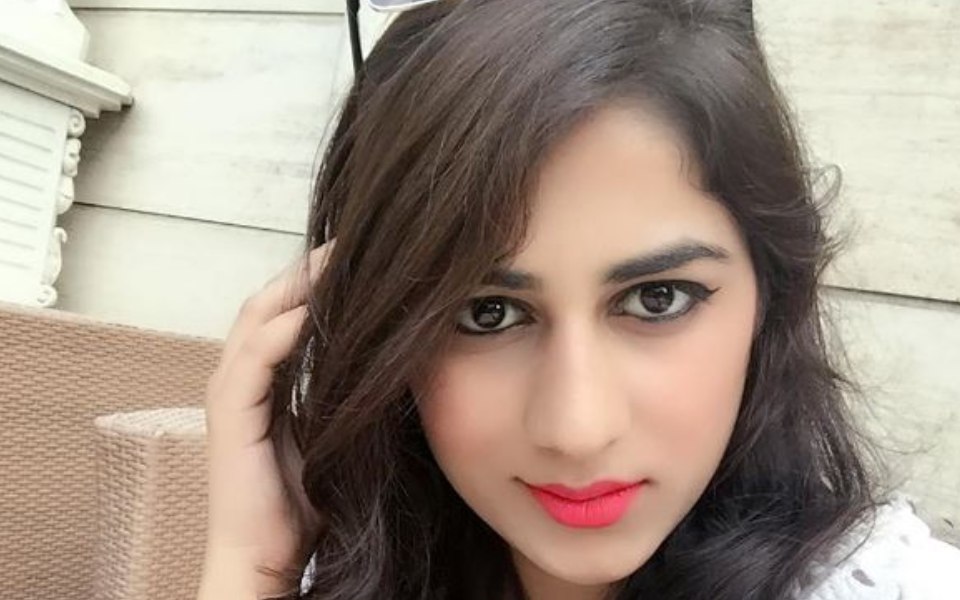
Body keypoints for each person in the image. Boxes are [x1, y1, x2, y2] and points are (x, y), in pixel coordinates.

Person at [197, 1, 960, 599]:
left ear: (772, 298)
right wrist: (251, 565)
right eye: (486, 313)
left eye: (657, 299)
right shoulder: (353, 570)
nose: (577, 429)